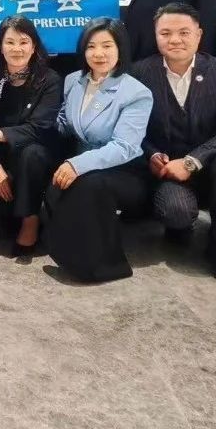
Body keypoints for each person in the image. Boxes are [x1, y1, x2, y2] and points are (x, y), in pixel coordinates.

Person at [129, 3, 216, 284]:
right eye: (165, 33)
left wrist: (192, 161)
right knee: (176, 213)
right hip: (167, 171)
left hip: (212, 167)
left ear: (198, 35)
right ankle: (180, 224)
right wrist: (152, 155)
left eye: (184, 32)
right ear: (155, 35)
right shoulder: (140, 72)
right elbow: (132, 130)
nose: (175, 40)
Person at [45, 18, 154, 283]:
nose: (99, 53)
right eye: (91, 46)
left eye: (107, 45)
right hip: (82, 165)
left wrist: (78, 165)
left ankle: (106, 265)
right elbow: (65, 123)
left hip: (124, 171)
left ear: (120, 49)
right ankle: (67, 252)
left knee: (88, 184)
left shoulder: (136, 93)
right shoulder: (73, 81)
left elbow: (125, 147)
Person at [0, 16, 63, 259]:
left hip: (37, 157)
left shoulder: (49, 80)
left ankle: (31, 221)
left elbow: (39, 127)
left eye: (24, 42)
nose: (17, 49)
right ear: (0, 46)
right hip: (2, 159)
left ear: (34, 46)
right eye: (10, 42)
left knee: (31, 154)